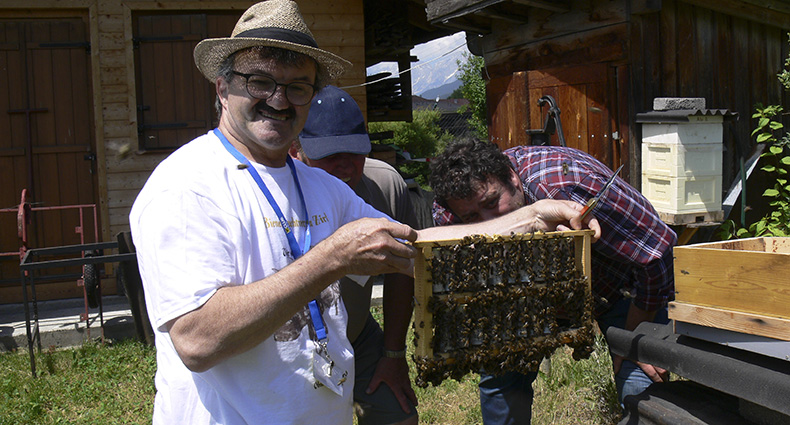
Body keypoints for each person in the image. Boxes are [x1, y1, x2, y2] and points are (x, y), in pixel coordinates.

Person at [129, 1, 600, 423]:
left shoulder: (318, 184)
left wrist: (532, 216)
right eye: (260, 81)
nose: (278, 99)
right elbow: (196, 341)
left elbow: (411, 247)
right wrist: (330, 258)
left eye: (297, 87)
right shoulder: (186, 187)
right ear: (222, 87)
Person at [429, 137, 677, 425]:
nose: (488, 223)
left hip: (620, 286)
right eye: (471, 216)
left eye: (492, 202)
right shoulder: (449, 213)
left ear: (512, 178)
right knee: (501, 377)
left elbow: (658, 251)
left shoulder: (570, 184)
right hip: (527, 294)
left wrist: (632, 337)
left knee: (640, 378)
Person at [289, 85, 419, 425]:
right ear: (296, 150)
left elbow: (402, 272)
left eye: (354, 151)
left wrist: (392, 354)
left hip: (357, 332)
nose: (344, 165)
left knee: (399, 415)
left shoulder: (386, 185)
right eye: (329, 154)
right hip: (293, 342)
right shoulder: (279, 193)